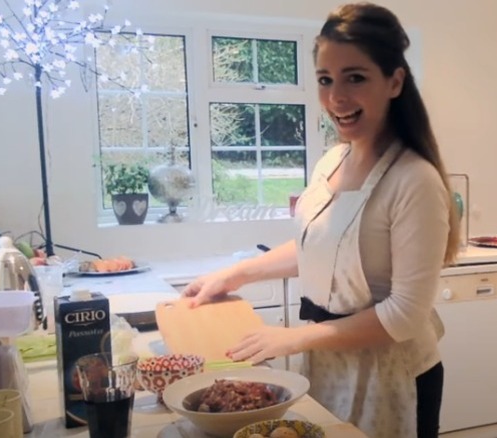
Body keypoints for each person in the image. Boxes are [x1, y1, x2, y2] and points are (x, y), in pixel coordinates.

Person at [183, 3, 460, 437]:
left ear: (394, 81)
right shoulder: (332, 161)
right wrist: (233, 275)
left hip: (392, 376)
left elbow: (405, 314)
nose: (336, 98)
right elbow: (320, 248)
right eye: (325, 80)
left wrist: (293, 338)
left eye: (355, 77)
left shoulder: (414, 180)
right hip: (330, 363)